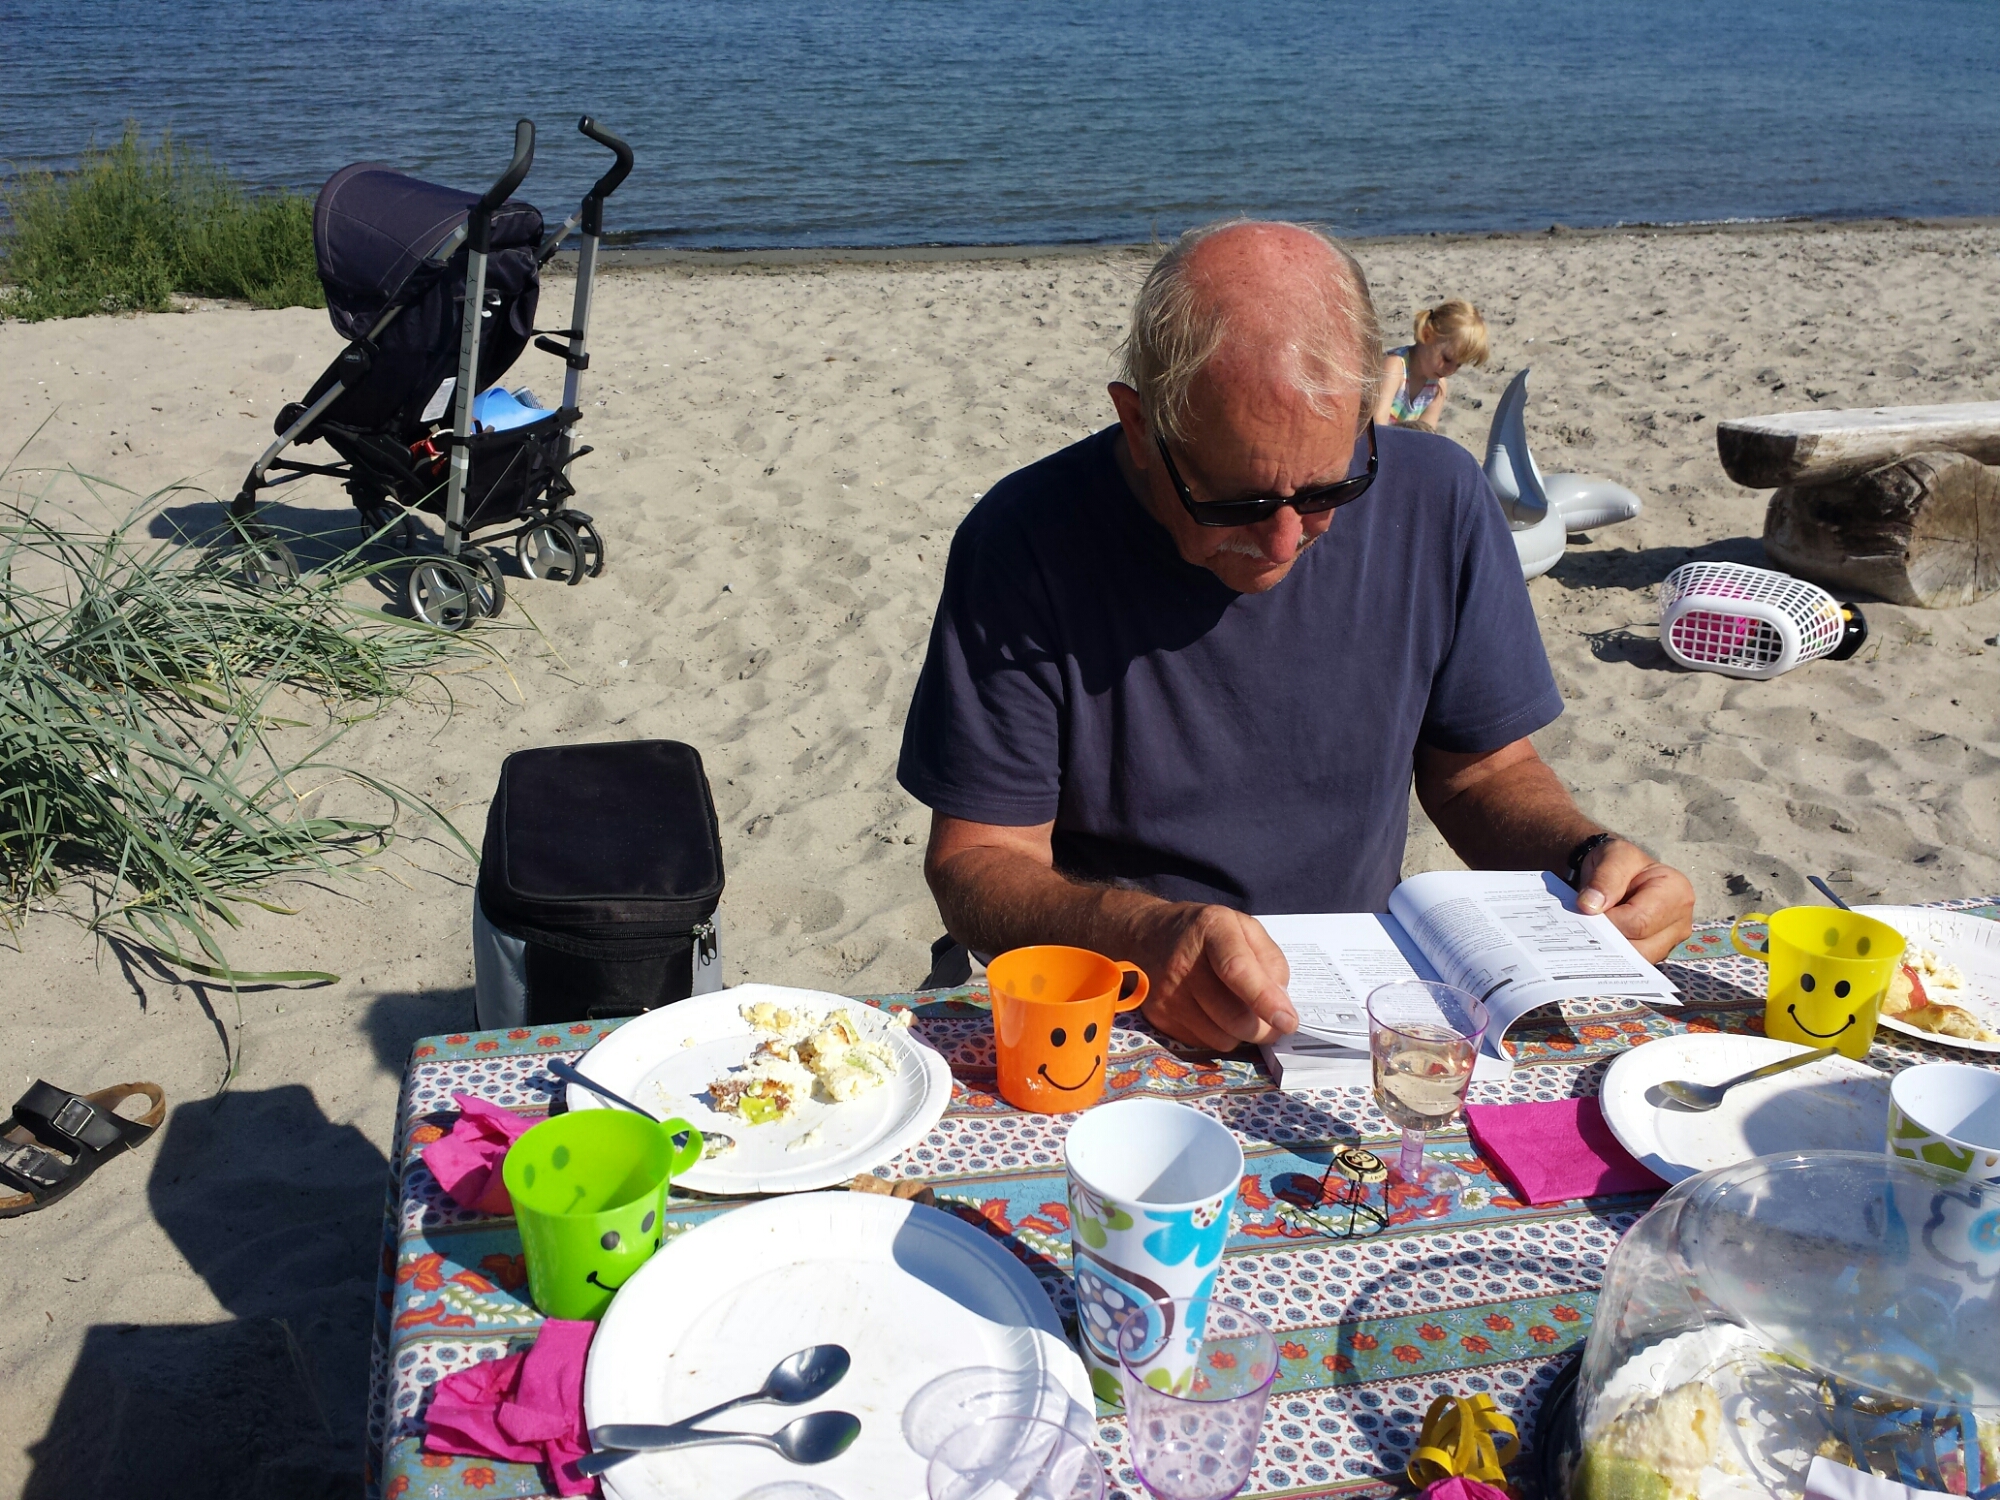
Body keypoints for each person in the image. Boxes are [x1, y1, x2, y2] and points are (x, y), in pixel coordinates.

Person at [896, 220, 1694, 1051]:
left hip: (1353, 1007)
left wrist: (1585, 858)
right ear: (1139, 425)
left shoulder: (1439, 499)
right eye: (1235, 501)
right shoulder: (1024, 540)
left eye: (1326, 491)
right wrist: (1137, 935)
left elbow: (1481, 774)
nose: (1282, 542)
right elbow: (977, 861)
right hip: (1116, 1000)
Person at [1372, 299, 1489, 431]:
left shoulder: (1438, 387)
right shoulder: (1394, 367)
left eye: (1458, 365)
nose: (1450, 370)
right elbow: (1377, 425)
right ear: (1427, 335)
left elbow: (1427, 434)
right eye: (1447, 359)